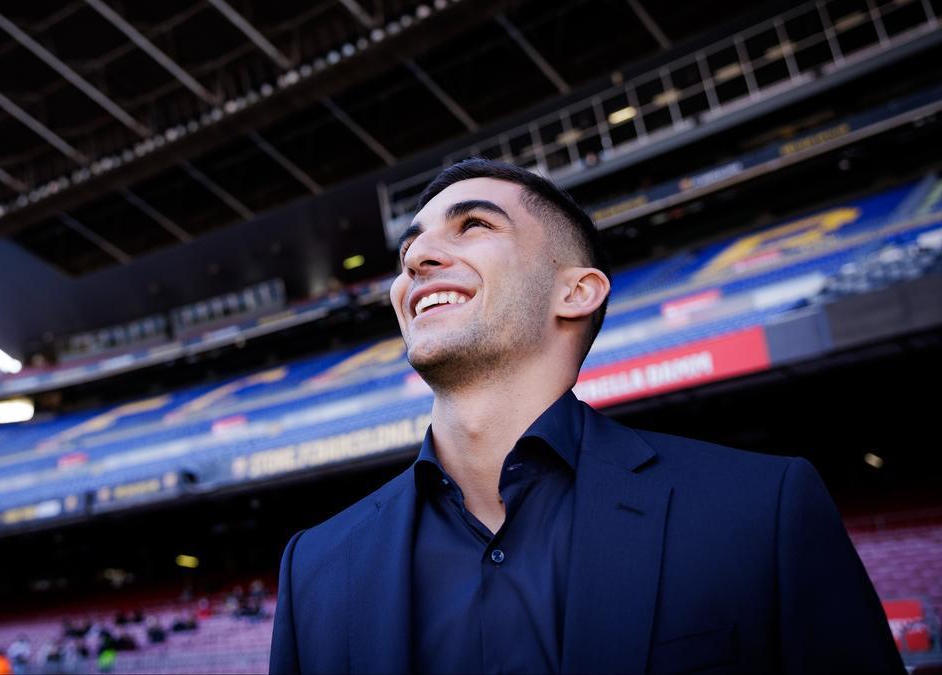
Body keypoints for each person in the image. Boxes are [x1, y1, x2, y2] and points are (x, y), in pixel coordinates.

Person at [269, 158, 902, 673]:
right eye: (411, 246)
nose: (416, 259)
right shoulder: (313, 569)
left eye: (474, 226)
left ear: (576, 291)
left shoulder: (762, 510)